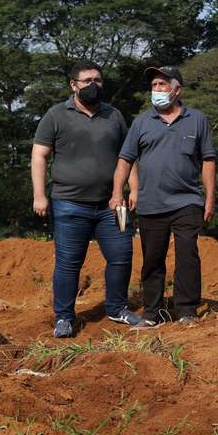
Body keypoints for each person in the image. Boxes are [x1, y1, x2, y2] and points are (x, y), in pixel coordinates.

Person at [32, 60, 142, 338]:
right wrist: (39, 195)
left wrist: (134, 189)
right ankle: (64, 318)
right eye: (87, 80)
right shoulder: (56, 115)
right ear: (73, 85)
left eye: (98, 80)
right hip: (68, 203)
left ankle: (117, 308)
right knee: (69, 262)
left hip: (111, 205)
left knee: (122, 256)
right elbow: (39, 156)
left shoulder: (114, 115)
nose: (94, 85)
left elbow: (127, 157)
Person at [110, 66, 216, 328]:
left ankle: (186, 310)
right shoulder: (142, 122)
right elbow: (125, 159)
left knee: (187, 255)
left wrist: (210, 198)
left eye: (162, 84)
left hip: (187, 201)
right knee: (152, 259)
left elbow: (208, 160)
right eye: (154, 85)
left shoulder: (197, 119)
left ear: (177, 89)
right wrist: (117, 193)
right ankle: (152, 312)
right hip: (150, 203)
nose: (156, 89)